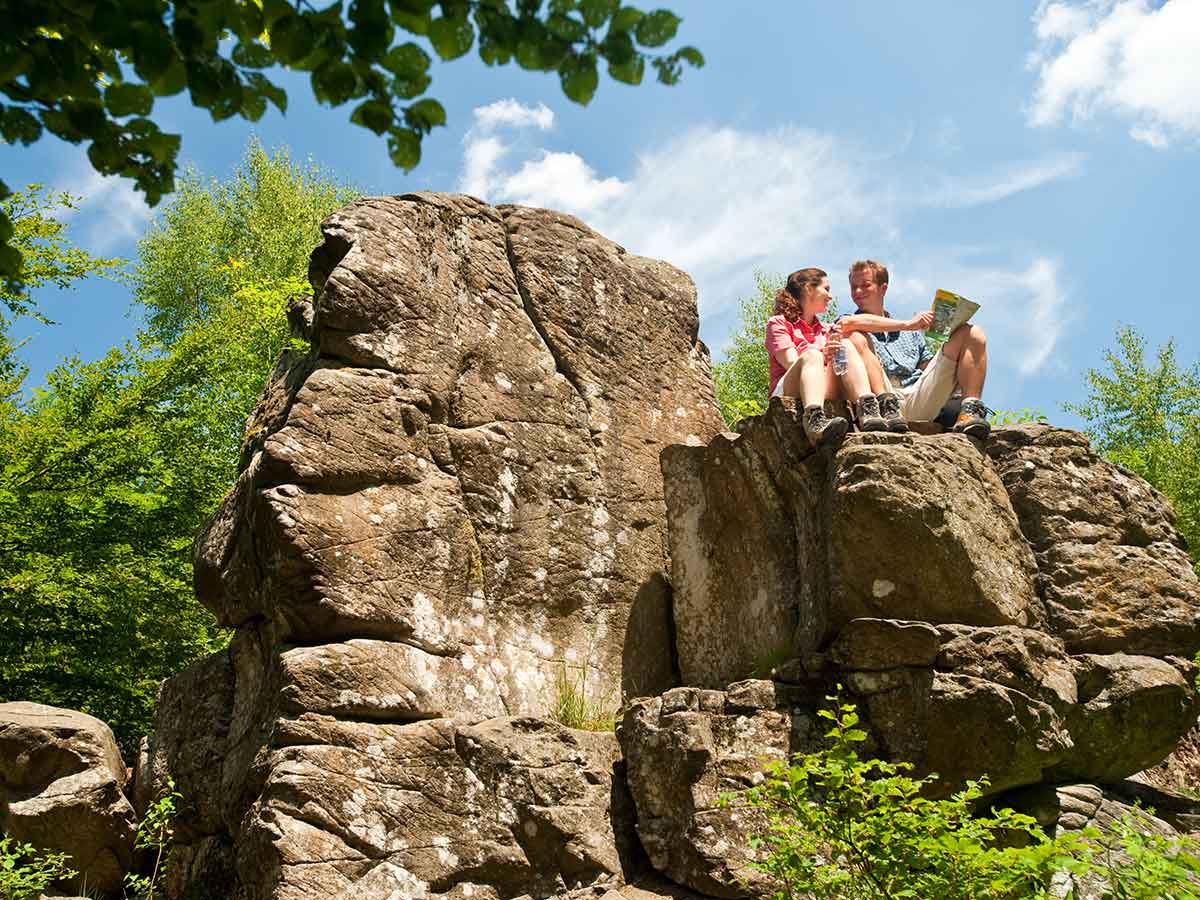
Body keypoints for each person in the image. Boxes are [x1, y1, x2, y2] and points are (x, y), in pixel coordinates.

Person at [837, 260, 991, 439]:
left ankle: (970, 410)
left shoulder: (912, 335)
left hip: (919, 397)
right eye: (854, 287)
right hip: (881, 401)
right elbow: (848, 324)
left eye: (865, 285)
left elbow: (929, 369)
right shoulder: (849, 320)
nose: (858, 292)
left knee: (973, 333)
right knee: (854, 336)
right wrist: (909, 324)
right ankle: (886, 404)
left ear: (883, 288)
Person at [765, 268, 903, 446]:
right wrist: (824, 355)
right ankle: (814, 419)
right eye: (826, 289)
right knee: (812, 355)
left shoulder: (827, 329)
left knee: (845, 344)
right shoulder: (778, 323)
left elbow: (862, 325)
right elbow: (790, 363)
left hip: (825, 386)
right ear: (808, 288)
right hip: (791, 387)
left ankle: (867, 407)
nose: (830, 296)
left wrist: (910, 325)